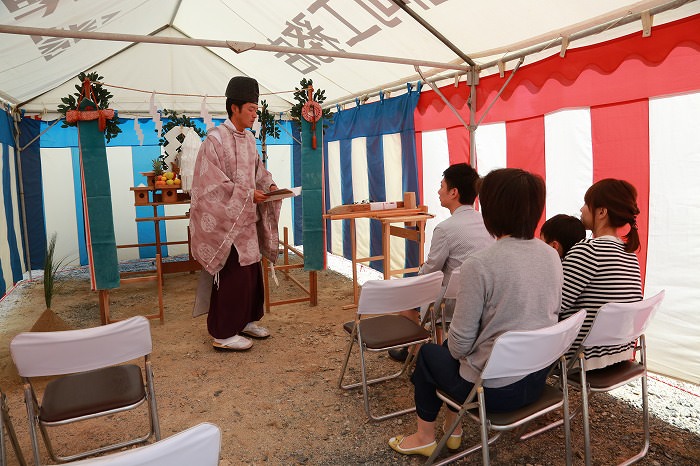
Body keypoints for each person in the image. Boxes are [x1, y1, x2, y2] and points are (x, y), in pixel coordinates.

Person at [388, 168, 563, 457]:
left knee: (431, 356)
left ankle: (425, 437)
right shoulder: (551, 255)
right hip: (535, 380)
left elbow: (458, 348)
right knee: (448, 354)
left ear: (492, 209)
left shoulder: (479, 264)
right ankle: (453, 429)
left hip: (493, 392)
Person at [190, 76, 282, 352]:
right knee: (232, 278)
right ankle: (223, 332)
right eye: (252, 109)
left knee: (251, 275)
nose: (255, 114)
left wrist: (270, 185)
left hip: (247, 221)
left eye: (256, 109)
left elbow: (258, 172)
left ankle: (246, 321)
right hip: (225, 223)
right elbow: (209, 183)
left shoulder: (250, 140)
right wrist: (246, 193)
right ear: (235, 108)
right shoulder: (215, 140)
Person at [389, 163, 493, 362]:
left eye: (442, 186)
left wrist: (419, 274)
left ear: (454, 192)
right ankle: (436, 347)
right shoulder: (487, 222)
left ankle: (419, 353)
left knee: (407, 299)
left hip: (453, 302)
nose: (438, 191)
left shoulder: (446, 229)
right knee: (440, 289)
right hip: (482, 296)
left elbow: (431, 270)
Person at [559, 179, 643, 369]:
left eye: (586, 204)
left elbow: (555, 304)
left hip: (580, 357)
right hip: (619, 353)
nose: (581, 209)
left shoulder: (589, 250)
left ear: (602, 212)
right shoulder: (629, 254)